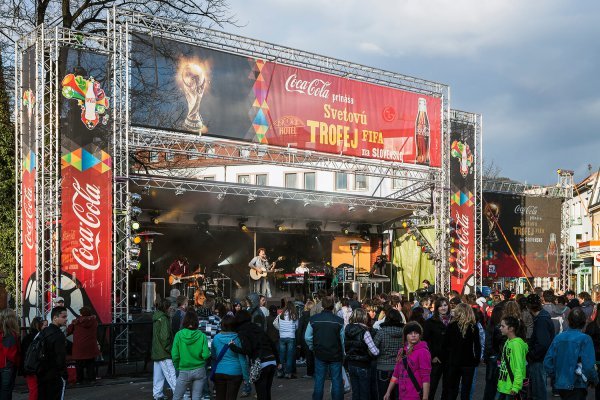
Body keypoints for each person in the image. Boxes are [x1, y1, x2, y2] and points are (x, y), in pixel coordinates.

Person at [544, 307, 598, 399]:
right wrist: (594, 379)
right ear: (584, 322)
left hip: (562, 383)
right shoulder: (585, 339)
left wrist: (557, 374)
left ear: (568, 321)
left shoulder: (558, 338)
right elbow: (589, 366)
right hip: (577, 384)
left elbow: (547, 362)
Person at [230, 310, 279, 400]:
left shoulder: (242, 331)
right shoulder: (257, 328)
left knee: (261, 393)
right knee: (267, 392)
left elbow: (247, 350)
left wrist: (233, 347)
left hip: (260, 362)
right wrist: (278, 361)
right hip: (272, 360)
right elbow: (271, 343)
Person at [305, 296, 345, 400]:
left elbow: (307, 337)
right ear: (333, 306)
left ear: (322, 305)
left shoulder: (314, 319)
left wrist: (312, 347)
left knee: (319, 380)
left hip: (319, 353)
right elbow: (343, 340)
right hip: (335, 354)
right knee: (336, 380)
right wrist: (344, 352)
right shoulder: (339, 321)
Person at [382, 321, 431, 400]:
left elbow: (426, 376)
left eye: (416, 333)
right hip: (402, 394)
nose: (413, 335)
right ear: (405, 335)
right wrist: (388, 391)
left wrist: (425, 397)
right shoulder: (402, 351)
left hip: (415, 394)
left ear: (420, 335)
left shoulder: (423, 352)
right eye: (410, 333)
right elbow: (395, 373)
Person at [171, 309, 211, 400]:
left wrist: (177, 366)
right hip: (199, 369)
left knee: (177, 397)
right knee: (197, 397)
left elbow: (175, 355)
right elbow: (206, 355)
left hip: (184, 369)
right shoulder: (202, 335)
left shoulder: (178, 335)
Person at [444, 303, 481, 400]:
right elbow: (477, 346)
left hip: (454, 361)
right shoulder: (473, 327)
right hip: (468, 361)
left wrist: (448, 359)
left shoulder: (451, 326)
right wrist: (476, 360)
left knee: (452, 389)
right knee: (466, 390)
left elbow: (446, 345)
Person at [344, 308, 379, 400]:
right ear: (364, 317)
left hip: (351, 363)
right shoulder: (364, 331)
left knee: (355, 392)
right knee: (364, 392)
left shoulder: (347, 329)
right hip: (363, 365)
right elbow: (374, 351)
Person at [211, 315, 248, 400]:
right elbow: (242, 359)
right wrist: (246, 377)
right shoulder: (238, 338)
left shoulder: (216, 338)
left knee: (219, 397)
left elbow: (213, 355)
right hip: (235, 372)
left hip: (219, 371)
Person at [526, 294, 555, 400]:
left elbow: (543, 344)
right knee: (538, 389)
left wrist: (532, 355)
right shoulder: (542, 317)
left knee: (538, 391)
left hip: (539, 360)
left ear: (529, 307)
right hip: (539, 359)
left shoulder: (541, 320)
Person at [423, 297, 451, 400]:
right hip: (436, 359)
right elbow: (426, 341)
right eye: (440, 306)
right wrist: (432, 356)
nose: (443, 308)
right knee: (432, 387)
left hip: (450, 359)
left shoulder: (453, 321)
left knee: (447, 388)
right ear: (436, 308)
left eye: (445, 305)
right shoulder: (430, 322)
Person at [37, 306, 68, 400]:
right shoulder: (58, 335)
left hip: (42, 372)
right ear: (55, 318)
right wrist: (64, 374)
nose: (66, 319)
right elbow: (60, 357)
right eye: (63, 317)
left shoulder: (44, 332)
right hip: (55, 374)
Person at [374, 309, 404, 400]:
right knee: (397, 396)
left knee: (383, 395)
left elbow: (373, 349)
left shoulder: (381, 332)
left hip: (383, 367)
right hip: (399, 368)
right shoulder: (404, 332)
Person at [496, 316, 528, 400]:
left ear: (511, 328)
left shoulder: (516, 344)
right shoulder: (508, 341)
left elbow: (519, 366)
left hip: (511, 387)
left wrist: (516, 386)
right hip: (504, 386)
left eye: (503, 326)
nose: (500, 328)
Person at [152, 299, 177, 400]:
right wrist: (170, 350)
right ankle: (179, 395)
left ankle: (157, 394)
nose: (172, 308)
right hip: (164, 352)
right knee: (171, 374)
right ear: (167, 307)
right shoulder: (164, 319)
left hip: (157, 350)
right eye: (170, 306)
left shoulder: (157, 317)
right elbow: (165, 337)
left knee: (158, 375)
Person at [66, 306, 99, 383]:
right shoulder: (94, 321)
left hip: (79, 347)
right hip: (91, 346)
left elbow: (68, 331)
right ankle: (91, 379)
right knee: (90, 363)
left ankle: (79, 380)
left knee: (79, 365)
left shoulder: (76, 322)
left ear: (81, 313)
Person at [21, 317, 44, 400]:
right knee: (36, 389)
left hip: (28, 367)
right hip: (36, 367)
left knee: (33, 389)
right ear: (39, 325)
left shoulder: (26, 338)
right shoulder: (40, 338)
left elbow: (23, 354)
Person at [275, 300, 299, 379]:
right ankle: (288, 373)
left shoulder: (280, 314)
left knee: (281, 356)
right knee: (289, 356)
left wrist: (280, 329)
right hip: (291, 337)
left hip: (282, 336)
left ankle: (280, 372)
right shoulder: (294, 315)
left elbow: (274, 323)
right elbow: (297, 326)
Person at [0, 309, 20, 400]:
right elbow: (10, 353)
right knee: (6, 391)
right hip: (7, 366)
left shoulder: (3, 332)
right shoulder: (10, 334)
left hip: (3, 365)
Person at [298, 300, 315, 378]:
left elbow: (300, 329)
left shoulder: (303, 316)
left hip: (305, 337)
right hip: (314, 337)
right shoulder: (314, 316)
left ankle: (309, 373)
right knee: (314, 355)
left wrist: (298, 341)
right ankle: (315, 371)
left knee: (308, 356)